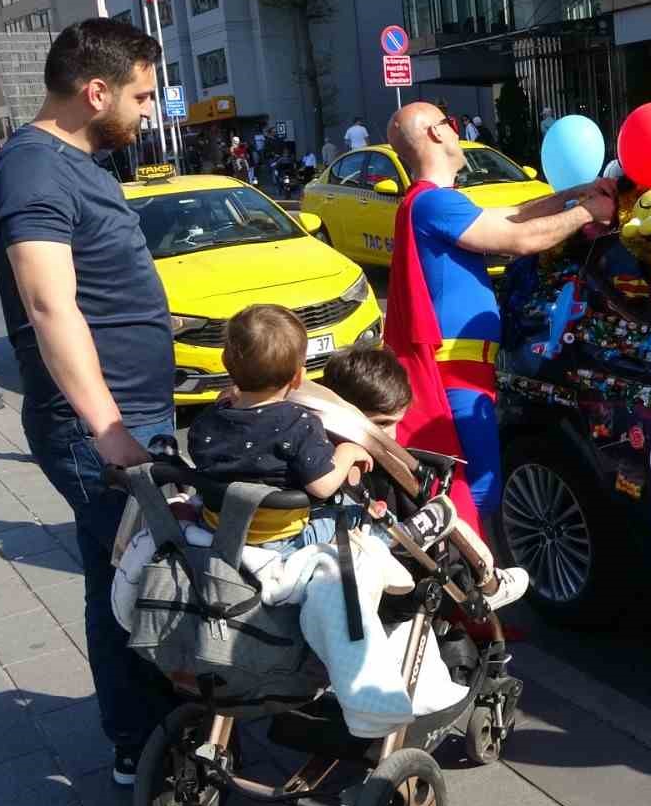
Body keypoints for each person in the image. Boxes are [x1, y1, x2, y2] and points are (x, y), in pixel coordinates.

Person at [0, 17, 176, 787]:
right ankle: (172, 742)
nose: (148, 111)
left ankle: (137, 742)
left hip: (132, 413)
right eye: (140, 95)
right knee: (164, 578)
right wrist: (109, 429)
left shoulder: (79, 161)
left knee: (114, 583)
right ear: (95, 92)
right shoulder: (33, 169)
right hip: (97, 426)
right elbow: (49, 304)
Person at [383, 101, 616, 533]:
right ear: (436, 134)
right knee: (472, 492)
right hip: (455, 372)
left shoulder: (433, 203)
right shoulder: (433, 203)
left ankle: (471, 585)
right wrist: (589, 211)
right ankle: (475, 591)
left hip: (462, 369)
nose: (458, 131)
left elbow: (512, 216)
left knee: (469, 487)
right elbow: (519, 238)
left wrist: (572, 194)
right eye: (451, 124)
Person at [320, 342, 528, 606]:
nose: (392, 435)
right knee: (447, 514)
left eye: (396, 423)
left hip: (361, 553)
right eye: (382, 424)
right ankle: (488, 582)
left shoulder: (315, 445)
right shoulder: (361, 462)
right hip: (375, 558)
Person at [187, 305, 375, 552]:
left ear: (225, 363)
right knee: (358, 513)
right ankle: (399, 534)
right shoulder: (299, 424)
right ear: (298, 378)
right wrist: (349, 451)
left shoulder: (206, 422)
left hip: (217, 527)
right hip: (284, 540)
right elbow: (323, 485)